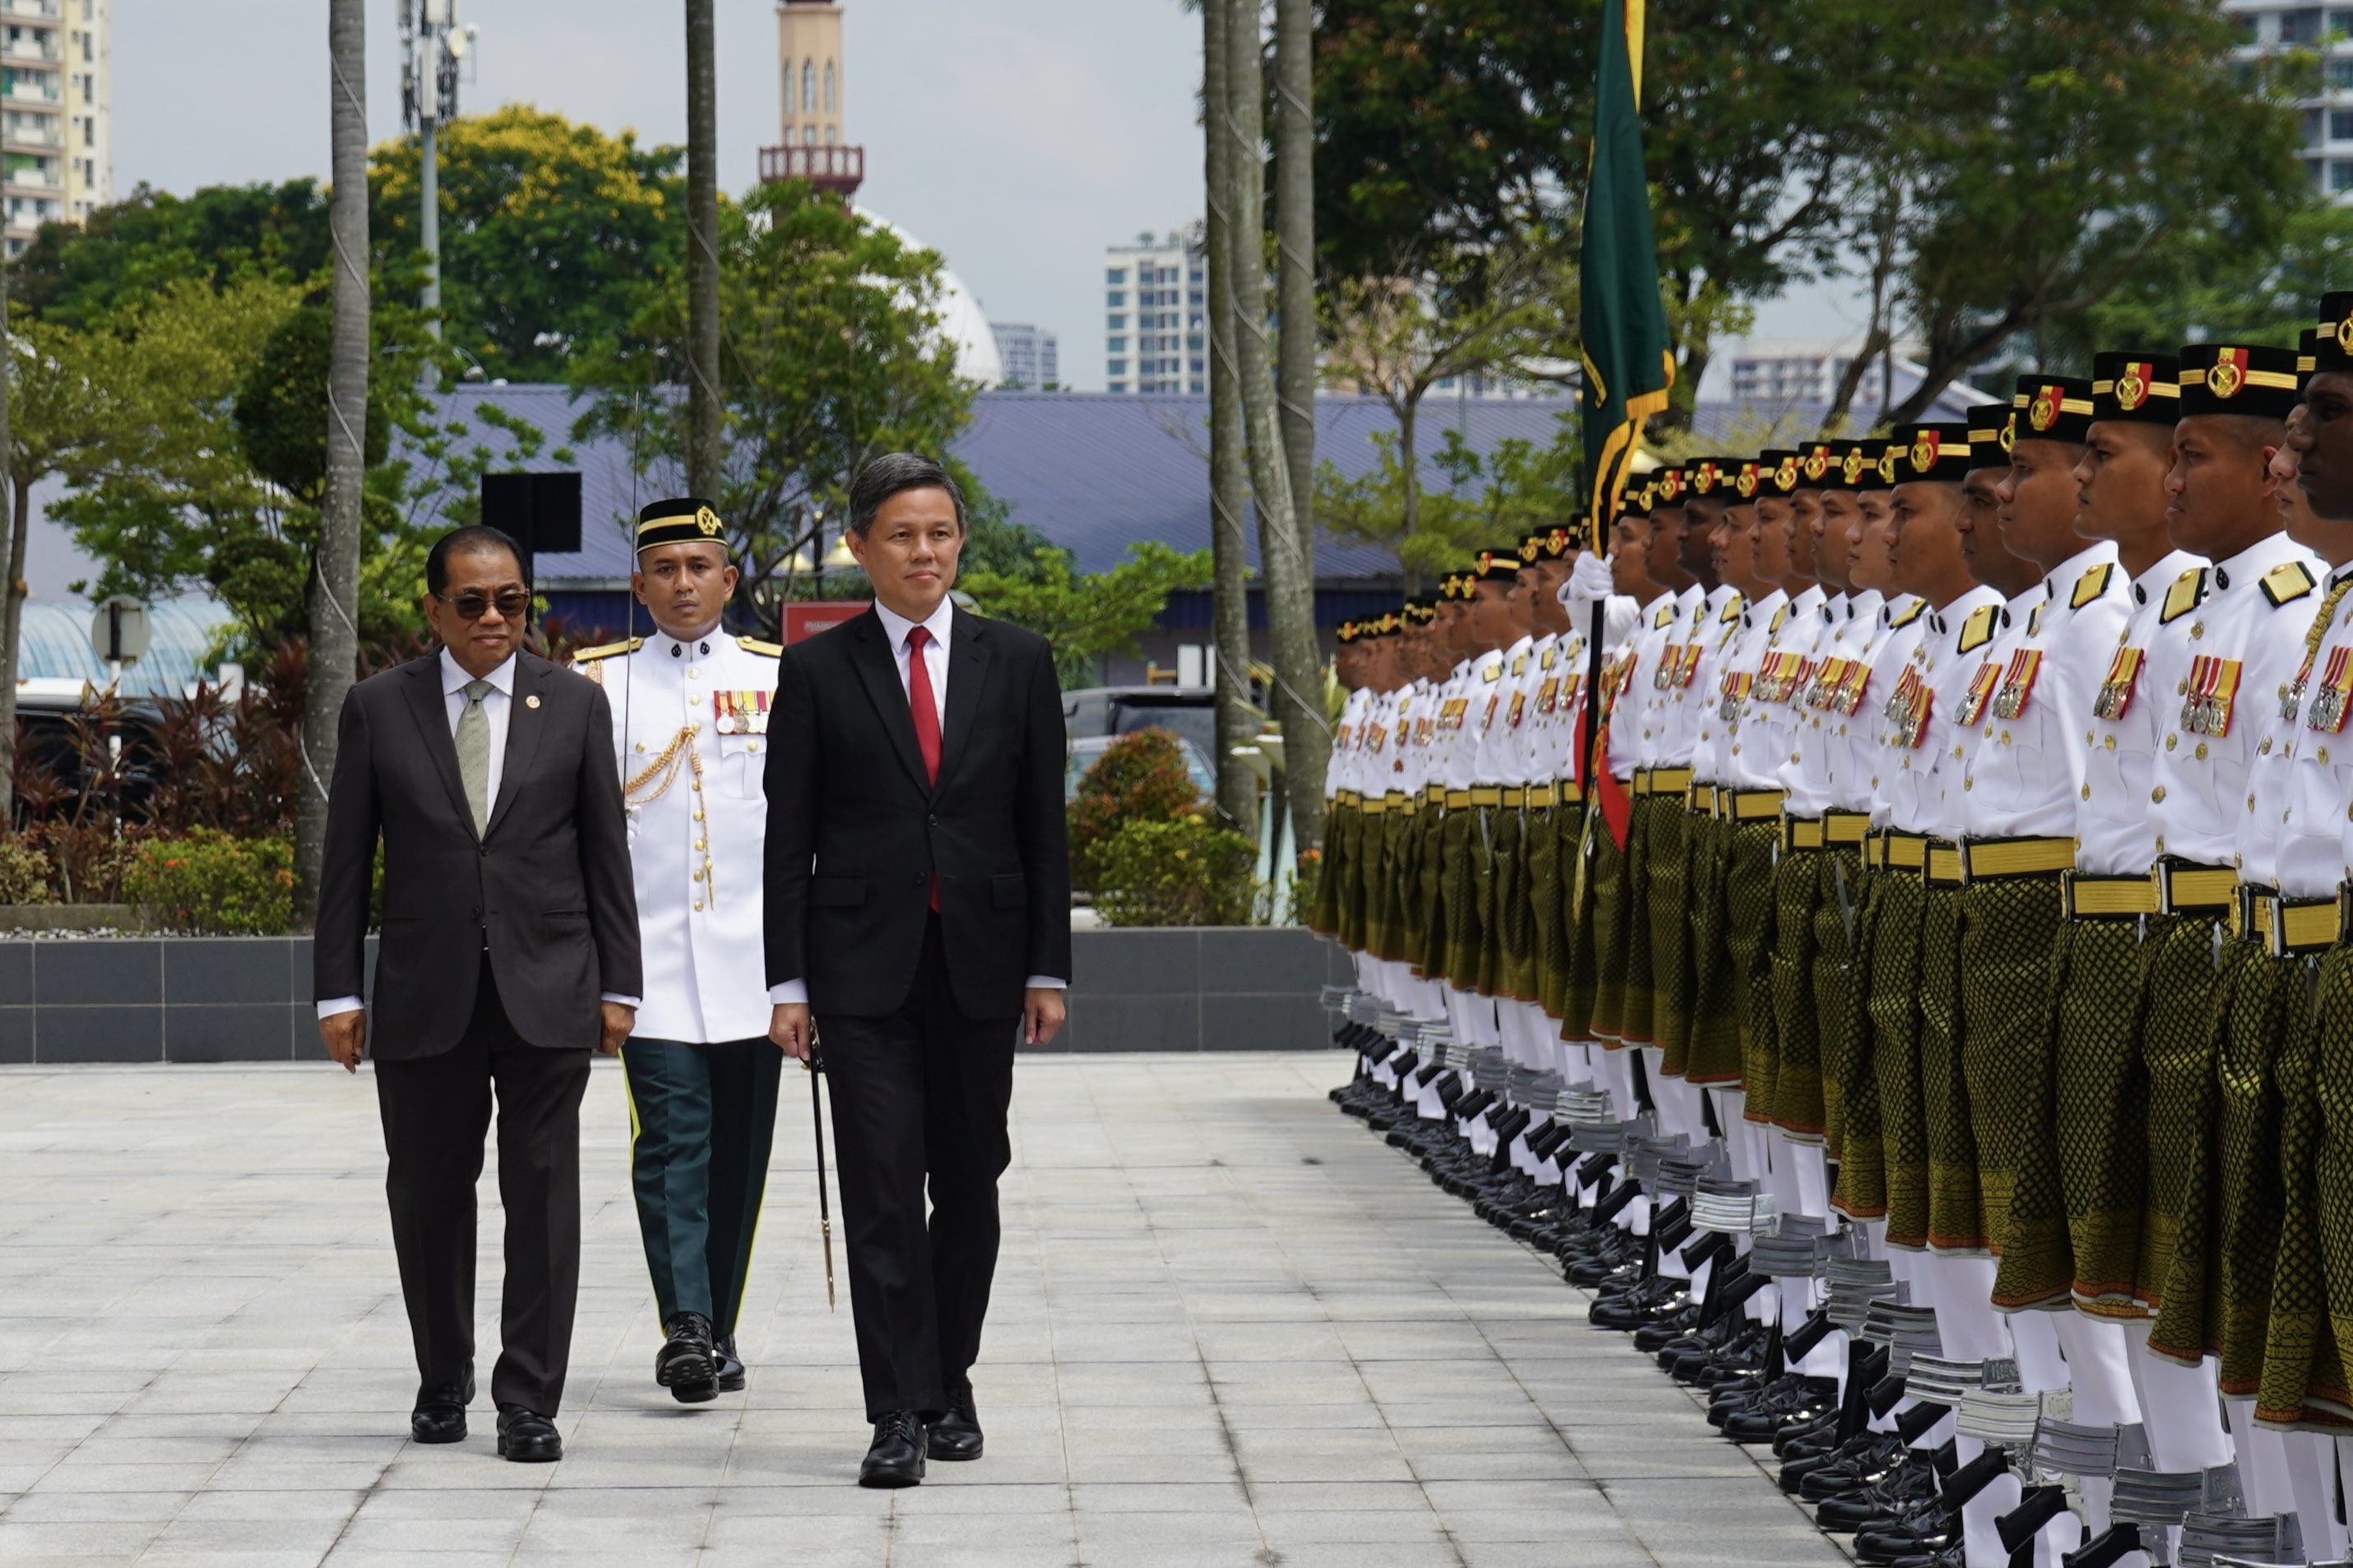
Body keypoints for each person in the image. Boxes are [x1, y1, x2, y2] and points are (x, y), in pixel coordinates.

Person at [763, 452, 1072, 1488]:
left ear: (960, 539)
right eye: (900, 535)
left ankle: (950, 1370)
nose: (923, 552)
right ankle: (896, 1408)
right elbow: (786, 839)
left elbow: (1042, 828)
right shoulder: (813, 670)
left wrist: (1048, 968)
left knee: (971, 1182)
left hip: (983, 963)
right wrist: (788, 985)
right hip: (859, 976)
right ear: (859, 547)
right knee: (882, 1192)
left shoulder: (1018, 659)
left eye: (938, 532)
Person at [314, 524, 642, 1464]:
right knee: (425, 1193)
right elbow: (346, 864)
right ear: (433, 611)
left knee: (541, 1195)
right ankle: (441, 1376)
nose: (494, 617)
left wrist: (620, 982)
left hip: (549, 987)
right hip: (425, 993)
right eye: (472, 602)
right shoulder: (379, 707)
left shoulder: (573, 704)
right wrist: (338, 990)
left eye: (511, 601)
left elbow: (603, 853)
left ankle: (529, 1395)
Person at [572, 498, 786, 1406]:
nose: (684, 583)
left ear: (728, 580)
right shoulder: (597, 685)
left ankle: (720, 1320)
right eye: (665, 569)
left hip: (757, 962)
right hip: (648, 961)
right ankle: (686, 1324)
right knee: (669, 1141)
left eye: (700, 566)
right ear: (638, 586)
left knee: (739, 1151)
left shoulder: (781, 677)